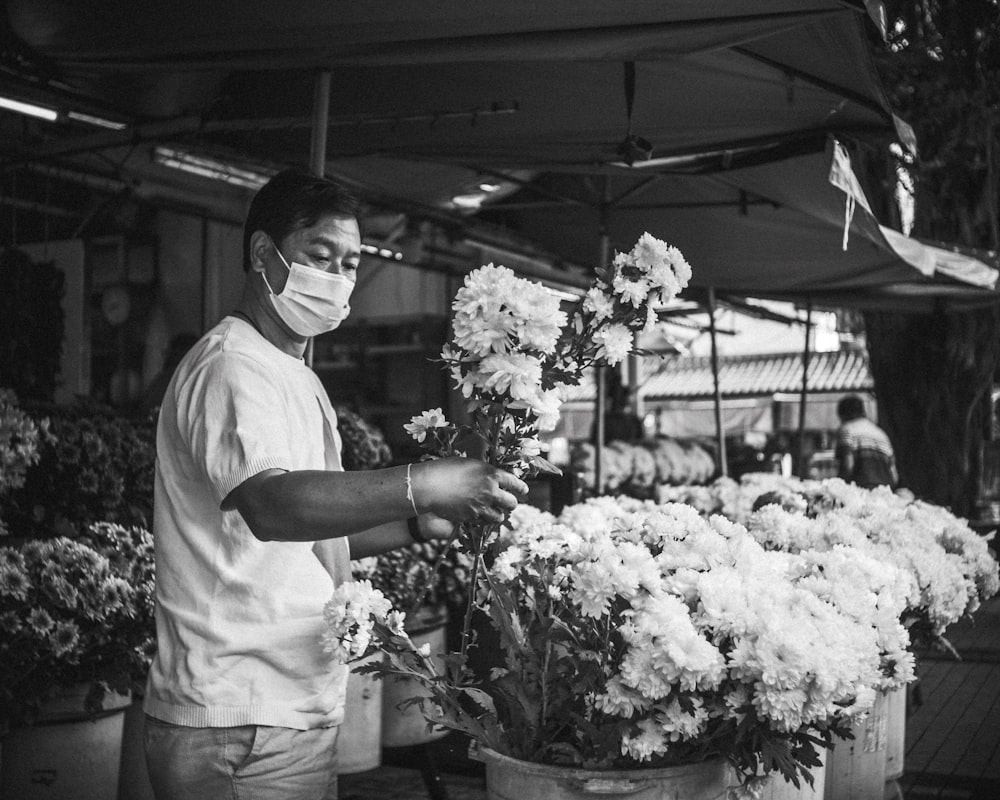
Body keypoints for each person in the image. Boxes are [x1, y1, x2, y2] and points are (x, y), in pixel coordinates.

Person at [142, 169, 528, 800]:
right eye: (320, 257)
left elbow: (312, 533)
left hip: (287, 705)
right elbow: (272, 506)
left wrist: (414, 524)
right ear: (264, 254)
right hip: (238, 712)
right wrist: (420, 482)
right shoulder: (231, 366)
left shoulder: (295, 374)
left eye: (350, 263)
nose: (338, 278)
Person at [835, 394, 899, 489]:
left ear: (843, 414)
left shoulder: (846, 430)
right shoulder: (881, 434)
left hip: (861, 493)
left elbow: (847, 465)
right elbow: (894, 476)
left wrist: (839, 488)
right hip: (885, 495)